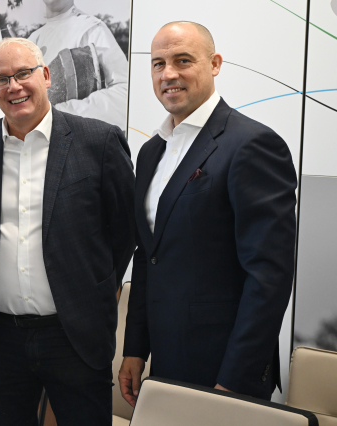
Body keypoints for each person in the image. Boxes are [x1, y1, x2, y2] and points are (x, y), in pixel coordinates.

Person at [0, 38, 135, 425]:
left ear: (47, 76)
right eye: (1, 79)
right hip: (0, 337)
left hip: (75, 335)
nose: (14, 86)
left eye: (24, 73)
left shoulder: (99, 141)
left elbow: (125, 230)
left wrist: (101, 286)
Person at [119, 22, 297, 405]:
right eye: (158, 63)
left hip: (224, 370)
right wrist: (135, 348)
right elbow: (149, 256)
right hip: (165, 361)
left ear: (214, 64)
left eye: (183, 60)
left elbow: (269, 276)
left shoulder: (252, 144)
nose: (168, 74)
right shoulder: (151, 152)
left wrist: (236, 378)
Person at [28, 0, 129, 130]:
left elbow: (124, 95)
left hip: (78, 139)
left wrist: (57, 115)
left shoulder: (92, 29)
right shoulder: (32, 39)